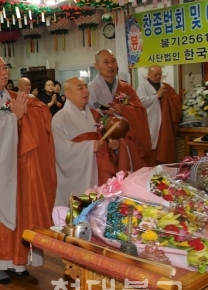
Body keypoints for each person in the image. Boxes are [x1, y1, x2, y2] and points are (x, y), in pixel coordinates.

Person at [0, 54, 56, 284]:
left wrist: (28, 114)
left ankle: (18, 262)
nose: (4, 71)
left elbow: (37, 114)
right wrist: (13, 118)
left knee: (20, 214)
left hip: (18, 167)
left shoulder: (14, 96)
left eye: (5, 67)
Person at [52, 77, 130, 206]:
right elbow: (60, 150)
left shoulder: (95, 114)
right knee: (82, 210)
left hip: (101, 169)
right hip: (78, 175)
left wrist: (114, 145)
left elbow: (108, 137)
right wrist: (88, 147)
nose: (86, 91)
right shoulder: (60, 118)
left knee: (102, 208)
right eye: (80, 88)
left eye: (86, 86)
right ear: (67, 93)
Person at [88, 49, 152, 170]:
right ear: (96, 66)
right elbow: (93, 119)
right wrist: (110, 137)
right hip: (106, 143)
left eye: (113, 61)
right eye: (106, 62)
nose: (110, 65)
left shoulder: (125, 87)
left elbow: (140, 111)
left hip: (127, 140)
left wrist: (122, 110)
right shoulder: (92, 89)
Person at [137, 66, 182, 165]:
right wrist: (157, 96)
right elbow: (140, 102)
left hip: (165, 121)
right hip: (151, 120)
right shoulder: (143, 87)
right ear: (149, 74)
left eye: (159, 74)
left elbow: (176, 100)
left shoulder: (166, 87)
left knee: (164, 144)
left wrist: (167, 97)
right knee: (152, 145)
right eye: (155, 75)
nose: (158, 77)